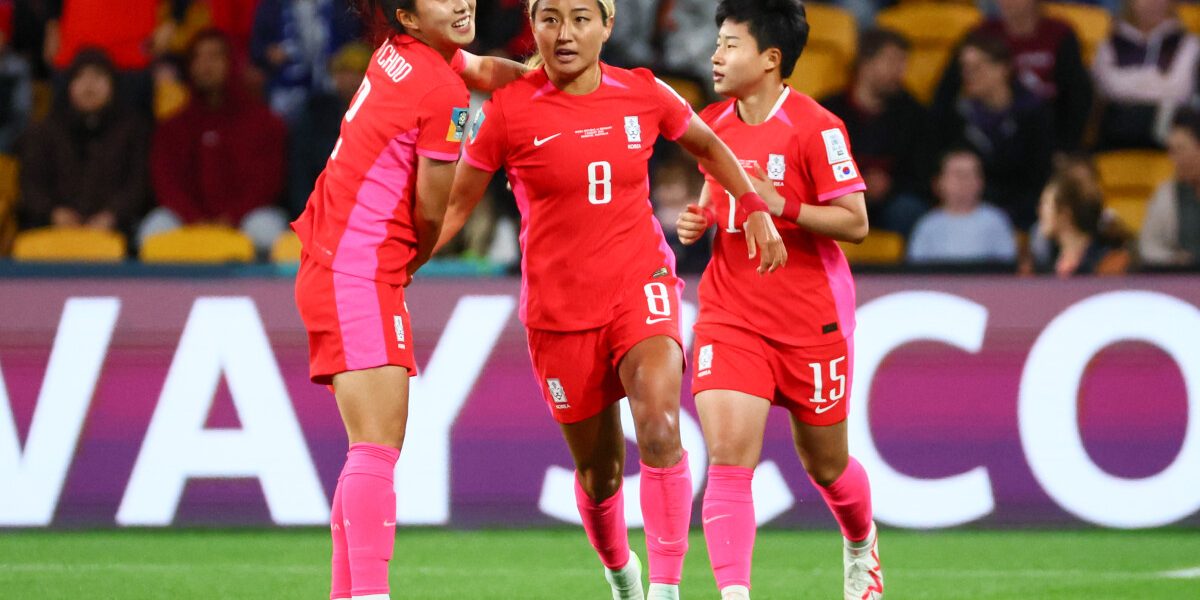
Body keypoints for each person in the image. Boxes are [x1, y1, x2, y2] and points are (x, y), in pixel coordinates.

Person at [438, 1, 786, 599]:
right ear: (534, 28)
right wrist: (397, 261)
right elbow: (452, 208)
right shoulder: (506, 113)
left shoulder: (644, 93)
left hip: (639, 285)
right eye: (550, 19)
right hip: (559, 314)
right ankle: (622, 571)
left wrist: (752, 205)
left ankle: (666, 590)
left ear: (608, 25)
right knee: (600, 478)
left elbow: (707, 144)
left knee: (658, 423)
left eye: (580, 18)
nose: (565, 33)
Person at [289, 1, 526, 599]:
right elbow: (430, 209)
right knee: (376, 445)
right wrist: (414, 260)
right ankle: (370, 593)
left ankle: (352, 594)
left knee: (367, 447)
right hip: (360, 272)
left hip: (335, 260)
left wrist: (544, 81)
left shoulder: (399, 55)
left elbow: (483, 71)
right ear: (408, 15)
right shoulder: (440, 91)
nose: (462, 1)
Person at [674, 1, 880, 599]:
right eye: (717, 41)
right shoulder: (711, 126)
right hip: (731, 314)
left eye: (730, 44)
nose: (715, 54)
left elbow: (856, 222)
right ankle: (735, 593)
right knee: (730, 460)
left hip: (807, 322)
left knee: (828, 467)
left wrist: (779, 203)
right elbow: (722, 201)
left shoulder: (818, 128)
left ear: (770, 59)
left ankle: (862, 543)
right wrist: (703, 217)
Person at [141, 29, 289, 255]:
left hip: (246, 217)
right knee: (154, 230)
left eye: (214, 57)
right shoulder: (172, 127)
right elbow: (166, 183)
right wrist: (194, 219)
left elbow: (267, 182)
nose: (205, 65)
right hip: (187, 219)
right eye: (197, 58)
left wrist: (231, 218)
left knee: (266, 231)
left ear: (230, 62)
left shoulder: (264, 122)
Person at [930, 32, 1054, 232]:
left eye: (977, 67)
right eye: (964, 67)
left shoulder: (1034, 115)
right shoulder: (957, 116)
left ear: (1003, 69)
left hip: (1024, 214)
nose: (968, 75)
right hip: (969, 213)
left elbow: (1039, 176)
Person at [19, 48, 150, 237]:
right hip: (50, 228)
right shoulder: (44, 131)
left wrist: (112, 215)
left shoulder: (134, 129)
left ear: (113, 84)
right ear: (69, 86)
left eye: (98, 76)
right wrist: (54, 213)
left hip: (119, 230)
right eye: (80, 77)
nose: (89, 85)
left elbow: (139, 184)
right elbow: (31, 185)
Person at [931, 0, 1092, 152]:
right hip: (991, 133)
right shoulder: (981, 33)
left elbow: (1077, 95)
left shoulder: (1059, 33)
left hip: (1048, 134)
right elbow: (945, 92)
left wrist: (1066, 148)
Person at [821, 28, 928, 238]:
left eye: (903, 63)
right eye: (892, 61)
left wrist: (891, 185)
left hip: (893, 201)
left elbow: (923, 171)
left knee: (909, 209)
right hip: (840, 199)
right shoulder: (828, 110)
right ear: (865, 63)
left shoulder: (913, 112)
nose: (900, 71)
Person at [1093, 0, 1200, 150]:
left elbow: (1179, 91)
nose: (1153, 3)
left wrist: (1129, 80)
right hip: (1116, 128)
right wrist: (1155, 78)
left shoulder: (1187, 43)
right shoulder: (1111, 41)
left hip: (1164, 129)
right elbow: (1108, 86)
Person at [287, 41, 372, 218]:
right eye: (346, 72)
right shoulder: (314, 113)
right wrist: (309, 214)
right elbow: (300, 173)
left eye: (361, 72)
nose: (354, 79)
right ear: (335, 76)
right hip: (318, 211)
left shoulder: (386, 117)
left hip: (369, 213)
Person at [907, 148, 1017, 265]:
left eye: (971, 174)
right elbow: (916, 274)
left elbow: (1007, 270)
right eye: (958, 174)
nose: (964, 181)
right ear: (940, 182)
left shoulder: (996, 221)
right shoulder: (927, 225)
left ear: (981, 182)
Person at [1036, 169, 1132, 277]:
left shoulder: (1111, 265)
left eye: (1045, 204)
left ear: (1065, 213)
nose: (1039, 211)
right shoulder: (1045, 266)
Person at [1141, 108, 1200, 267]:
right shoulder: (1166, 194)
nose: (1174, 159)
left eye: (1180, 149)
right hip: (1181, 279)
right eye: (1171, 151)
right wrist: (1173, 258)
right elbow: (1148, 246)